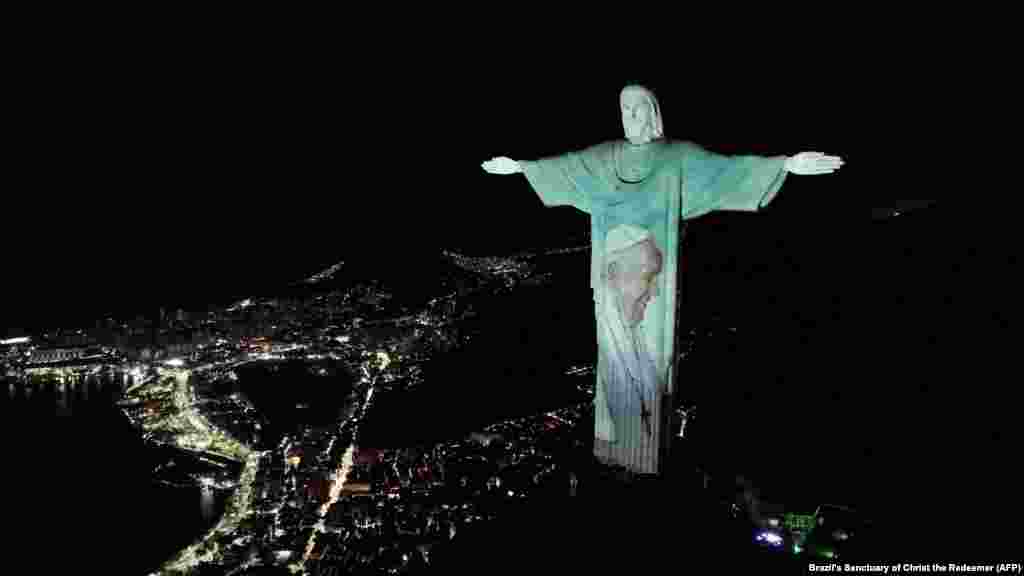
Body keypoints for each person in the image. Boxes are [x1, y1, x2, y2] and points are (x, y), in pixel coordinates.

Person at [482, 84, 842, 474]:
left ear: (653, 113)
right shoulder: (605, 158)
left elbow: (729, 170)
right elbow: (565, 166)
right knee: (614, 350)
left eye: (637, 109)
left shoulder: (676, 157)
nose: (629, 117)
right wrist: (520, 167)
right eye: (623, 110)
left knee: (652, 354)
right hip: (609, 279)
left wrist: (785, 165)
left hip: (653, 279)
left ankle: (646, 444)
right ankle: (616, 441)